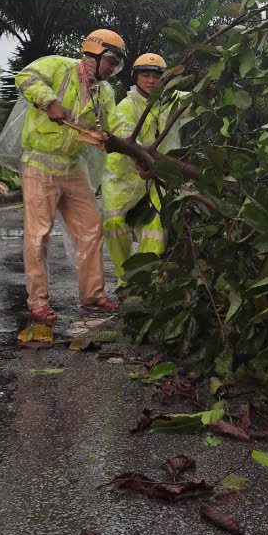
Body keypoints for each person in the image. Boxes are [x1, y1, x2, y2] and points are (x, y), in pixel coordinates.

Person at [15, 29, 126, 325]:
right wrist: (49, 100)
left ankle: (93, 295)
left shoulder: (105, 93)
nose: (112, 69)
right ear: (95, 54)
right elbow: (25, 76)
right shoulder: (58, 66)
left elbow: (114, 127)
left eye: (116, 65)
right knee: (38, 235)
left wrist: (131, 147)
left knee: (91, 228)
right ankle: (38, 302)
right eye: (111, 61)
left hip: (72, 166)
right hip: (39, 163)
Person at [102, 52, 170, 286]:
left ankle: (148, 281)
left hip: (154, 178)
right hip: (122, 180)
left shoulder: (167, 104)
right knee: (114, 226)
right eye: (145, 75)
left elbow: (192, 101)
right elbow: (125, 136)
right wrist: (141, 160)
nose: (151, 80)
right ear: (136, 77)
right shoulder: (126, 106)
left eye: (156, 76)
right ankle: (126, 281)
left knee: (155, 227)